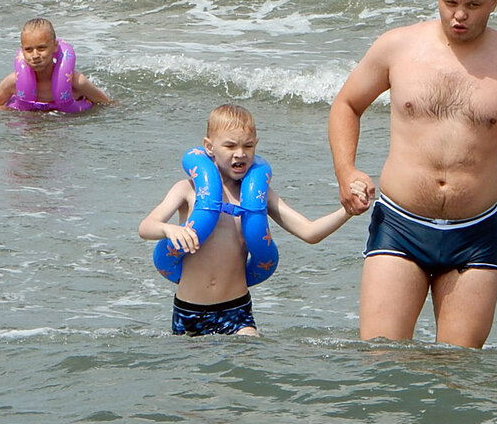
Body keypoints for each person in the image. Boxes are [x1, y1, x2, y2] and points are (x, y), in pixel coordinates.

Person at [328, 0, 497, 349]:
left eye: (473, 5)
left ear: (494, 1)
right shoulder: (398, 47)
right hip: (400, 226)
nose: (460, 15)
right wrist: (346, 170)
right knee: (382, 358)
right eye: (450, 3)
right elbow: (346, 105)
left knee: (458, 374)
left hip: (474, 236)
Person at [139, 104, 355, 337]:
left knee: (248, 348)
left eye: (248, 146)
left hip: (236, 310)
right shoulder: (187, 190)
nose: (240, 153)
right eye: (230, 145)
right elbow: (145, 227)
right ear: (209, 147)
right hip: (189, 310)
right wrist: (168, 229)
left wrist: (348, 211)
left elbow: (309, 232)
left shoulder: (259, 196)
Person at [0, 18, 112, 111]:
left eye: (41, 48)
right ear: (22, 51)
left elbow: (107, 105)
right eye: (29, 50)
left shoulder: (76, 83)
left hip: (63, 129)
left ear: (55, 47)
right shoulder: (13, 82)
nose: (35, 55)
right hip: (30, 128)